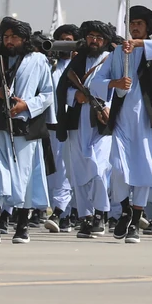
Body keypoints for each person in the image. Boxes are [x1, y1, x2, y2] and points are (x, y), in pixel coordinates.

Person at [91, 6, 152, 244]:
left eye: (139, 24)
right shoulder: (117, 53)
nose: (134, 27)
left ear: (147, 28)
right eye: (132, 23)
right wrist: (114, 83)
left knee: (144, 169)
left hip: (147, 121)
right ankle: (125, 209)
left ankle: (135, 220)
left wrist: (139, 44)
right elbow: (96, 83)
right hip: (122, 120)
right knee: (118, 168)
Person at [0, 18, 54, 244]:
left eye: (14, 37)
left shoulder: (38, 60)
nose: (9, 41)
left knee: (23, 176)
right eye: (6, 37)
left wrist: (26, 106)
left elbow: (47, 94)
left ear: (24, 39)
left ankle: (22, 225)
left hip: (24, 127)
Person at [55, 21, 115, 239]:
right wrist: (76, 96)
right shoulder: (77, 61)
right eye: (91, 36)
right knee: (79, 172)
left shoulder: (112, 60)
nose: (94, 41)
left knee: (98, 168)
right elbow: (62, 89)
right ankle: (85, 216)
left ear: (105, 41)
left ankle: (100, 213)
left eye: (99, 37)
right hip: (77, 122)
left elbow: (120, 89)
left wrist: (107, 108)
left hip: (101, 123)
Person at [45, 23, 80, 233]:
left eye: (69, 41)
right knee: (56, 171)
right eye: (62, 41)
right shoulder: (51, 64)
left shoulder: (80, 65)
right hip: (52, 125)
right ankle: (63, 212)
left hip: (72, 124)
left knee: (70, 170)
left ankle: (64, 211)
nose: (65, 45)